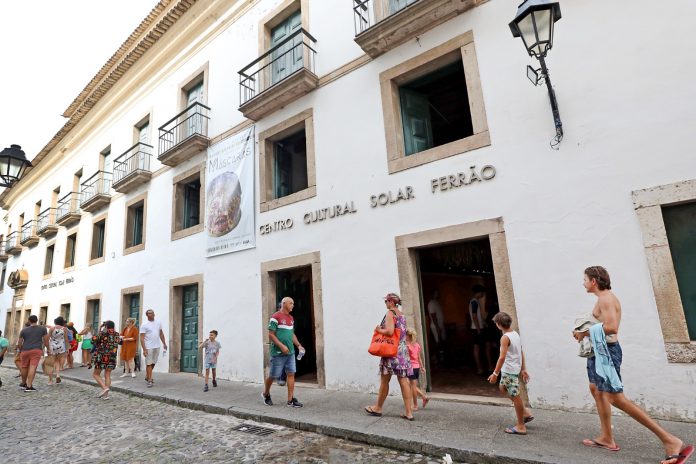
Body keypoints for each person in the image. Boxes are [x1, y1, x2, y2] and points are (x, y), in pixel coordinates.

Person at [573, 266, 693, 464]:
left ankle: (671, 441)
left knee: (616, 398)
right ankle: (606, 438)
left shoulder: (606, 299)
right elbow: (602, 325)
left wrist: (585, 333)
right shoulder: (601, 299)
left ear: (594, 280)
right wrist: (582, 331)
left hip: (607, 354)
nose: (583, 283)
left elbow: (612, 327)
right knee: (596, 389)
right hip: (597, 353)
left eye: (585, 279)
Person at [364, 293, 414, 421]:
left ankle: (378, 408)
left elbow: (390, 331)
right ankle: (409, 412)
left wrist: (379, 330)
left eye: (386, 301)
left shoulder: (390, 313)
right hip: (402, 351)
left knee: (385, 381)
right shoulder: (401, 314)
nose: (385, 303)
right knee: (403, 380)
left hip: (391, 351)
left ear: (391, 302)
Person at [488, 312, 533, 435]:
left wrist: (495, 374)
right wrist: (523, 368)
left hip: (509, 371)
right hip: (512, 370)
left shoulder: (505, 338)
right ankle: (525, 412)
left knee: (515, 396)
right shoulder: (515, 334)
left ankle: (521, 426)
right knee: (503, 388)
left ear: (498, 325)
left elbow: (501, 358)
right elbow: (521, 351)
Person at [262, 297, 305, 408]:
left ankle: (290, 400)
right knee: (273, 375)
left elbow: (292, 334)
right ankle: (265, 394)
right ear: (284, 303)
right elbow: (271, 334)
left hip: (290, 352)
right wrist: (281, 346)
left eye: (293, 303)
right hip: (277, 353)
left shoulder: (291, 318)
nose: (293, 305)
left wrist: (299, 345)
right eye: (291, 303)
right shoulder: (275, 317)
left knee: (291, 374)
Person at [18, 315, 49, 392]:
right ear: (37, 320)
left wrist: (20, 350)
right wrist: (48, 349)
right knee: (33, 367)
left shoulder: (23, 330)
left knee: (24, 367)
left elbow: (19, 342)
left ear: (29, 321)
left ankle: (23, 383)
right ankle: (29, 386)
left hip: (25, 350)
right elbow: (46, 341)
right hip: (36, 350)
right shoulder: (42, 329)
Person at [92, 320, 120, 400]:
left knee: (95, 374)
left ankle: (104, 388)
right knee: (107, 375)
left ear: (106, 326)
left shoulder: (102, 333)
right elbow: (120, 342)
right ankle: (106, 395)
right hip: (112, 357)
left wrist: (100, 330)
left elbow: (93, 340)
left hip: (101, 356)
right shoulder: (117, 334)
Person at [139, 309, 167, 388]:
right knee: (149, 363)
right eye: (150, 314)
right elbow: (142, 338)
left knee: (153, 362)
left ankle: (147, 375)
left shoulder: (158, 322)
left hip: (157, 346)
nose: (152, 315)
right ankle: (150, 380)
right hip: (148, 347)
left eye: (152, 313)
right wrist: (144, 349)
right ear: (147, 315)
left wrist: (164, 343)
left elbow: (161, 334)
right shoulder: (144, 325)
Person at [470, 284, 494, 375]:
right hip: (477, 328)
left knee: (479, 347)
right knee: (480, 347)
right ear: (479, 292)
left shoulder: (474, 301)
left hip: (477, 327)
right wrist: (479, 329)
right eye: (482, 293)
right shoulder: (474, 302)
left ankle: (483, 368)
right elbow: (474, 316)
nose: (483, 294)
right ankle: (482, 368)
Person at [405, 328, 429, 411]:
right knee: (410, 384)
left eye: (406, 335)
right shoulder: (417, 345)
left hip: (410, 368)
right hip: (417, 367)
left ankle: (415, 405)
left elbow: (406, 358)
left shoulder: (407, 346)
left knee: (412, 387)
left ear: (409, 336)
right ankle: (424, 397)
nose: (405, 337)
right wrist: (422, 367)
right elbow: (419, 358)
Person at [48, 317, 70, 384]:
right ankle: (57, 375)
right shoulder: (64, 329)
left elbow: (48, 337)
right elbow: (66, 339)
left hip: (53, 346)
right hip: (61, 346)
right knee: (57, 361)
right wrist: (67, 348)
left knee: (51, 363)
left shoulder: (52, 328)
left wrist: (45, 347)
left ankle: (50, 380)